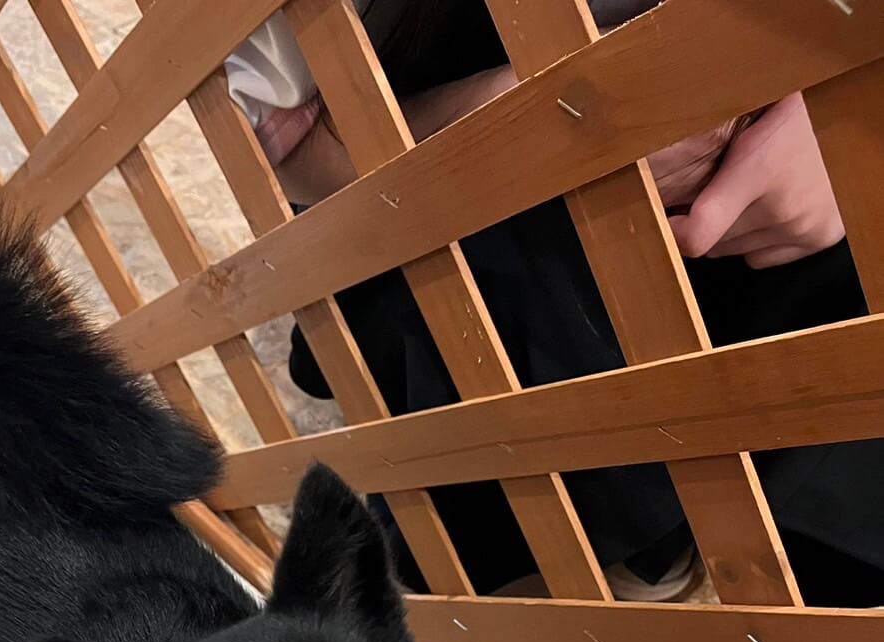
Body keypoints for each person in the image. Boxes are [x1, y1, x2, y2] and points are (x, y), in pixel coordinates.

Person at [225, 4, 883, 605]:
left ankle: (652, 533)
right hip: (477, 210)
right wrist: (565, 112)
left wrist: (846, 117)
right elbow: (289, 143)